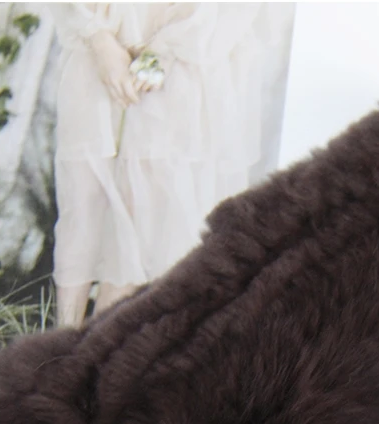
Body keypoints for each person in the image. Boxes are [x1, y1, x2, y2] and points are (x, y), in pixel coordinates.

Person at [50, 4, 289, 326]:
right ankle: (60, 338)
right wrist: (99, 39)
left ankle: (91, 347)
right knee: (83, 198)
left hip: (189, 49)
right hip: (106, 29)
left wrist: (164, 49)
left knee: (143, 213)